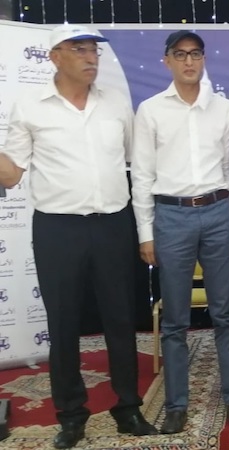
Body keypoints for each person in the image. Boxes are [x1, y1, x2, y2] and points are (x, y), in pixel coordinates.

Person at [0, 24, 157, 448]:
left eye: (94, 50)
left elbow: (137, 160)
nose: (90, 58)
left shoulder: (116, 102)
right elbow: (11, 175)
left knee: (121, 319)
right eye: (79, 50)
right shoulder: (30, 106)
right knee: (64, 323)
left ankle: (128, 408)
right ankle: (71, 415)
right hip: (58, 229)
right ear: (55, 56)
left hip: (112, 225)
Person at [130, 31, 229, 432]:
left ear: (203, 59)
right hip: (172, 217)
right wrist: (145, 233)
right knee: (175, 320)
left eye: (195, 54)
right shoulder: (150, 110)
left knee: (226, 315)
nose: (188, 62)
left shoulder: (223, 108)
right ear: (167, 61)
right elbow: (142, 175)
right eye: (180, 55)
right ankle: (176, 405)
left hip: (218, 213)